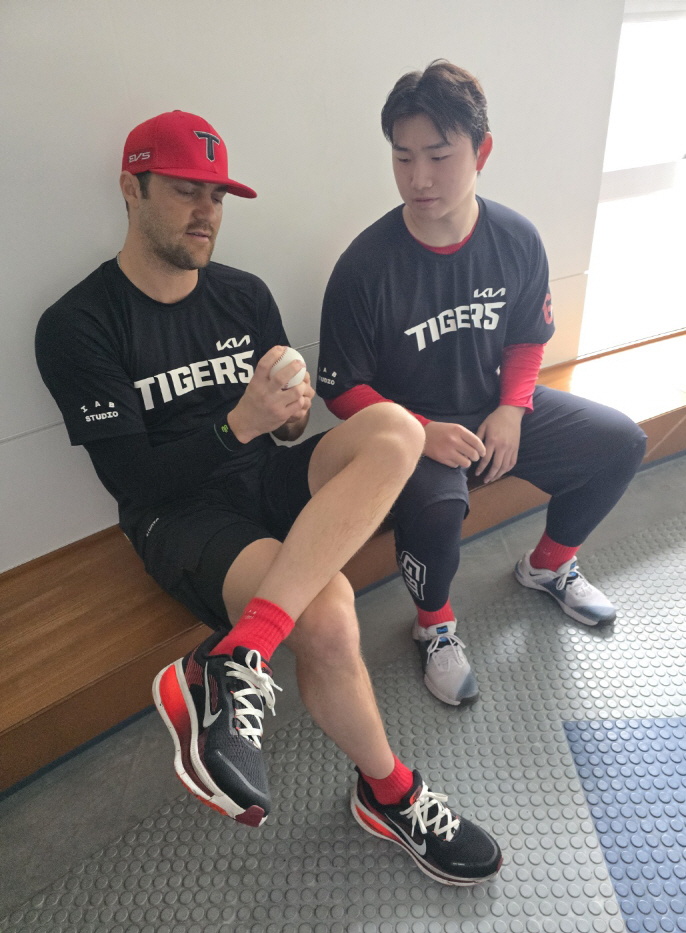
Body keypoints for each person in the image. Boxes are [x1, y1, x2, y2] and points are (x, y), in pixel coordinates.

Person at [34, 110, 502, 885]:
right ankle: (389, 792)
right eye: (186, 191)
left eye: (218, 196)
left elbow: (287, 433)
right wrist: (237, 424)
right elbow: (132, 482)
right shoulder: (76, 323)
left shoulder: (244, 295)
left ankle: (238, 652)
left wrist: (285, 416)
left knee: (396, 429)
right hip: (181, 515)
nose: (206, 213)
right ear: (131, 188)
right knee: (328, 612)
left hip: (266, 476)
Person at [317, 62, 647, 707]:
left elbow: (527, 337)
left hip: (492, 407)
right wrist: (418, 431)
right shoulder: (364, 266)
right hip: (407, 429)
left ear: (481, 151)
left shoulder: (516, 238)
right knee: (437, 510)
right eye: (403, 157)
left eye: (439, 156)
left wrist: (514, 407)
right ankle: (434, 626)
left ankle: (549, 565)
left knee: (621, 442)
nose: (419, 177)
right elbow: (341, 388)